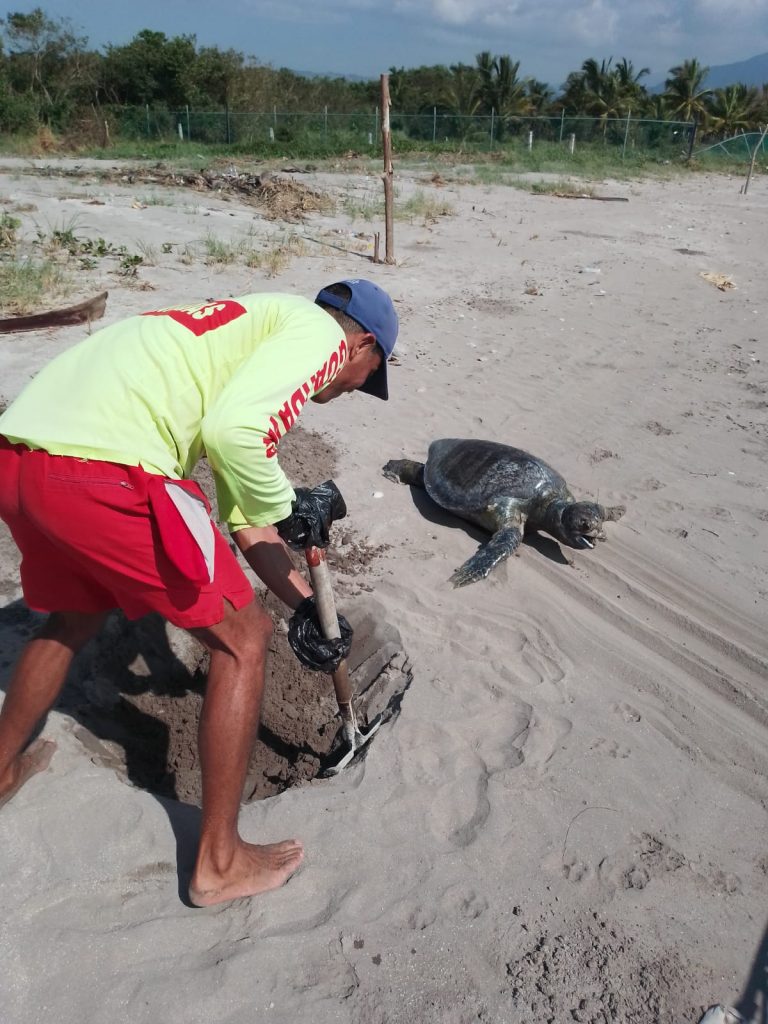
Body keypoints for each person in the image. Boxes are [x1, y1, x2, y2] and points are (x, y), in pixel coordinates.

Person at [0, 278, 399, 906]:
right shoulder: (319, 335)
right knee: (243, 640)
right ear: (363, 345)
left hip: (24, 457)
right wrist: (293, 505)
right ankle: (218, 862)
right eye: (365, 378)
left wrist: (307, 609)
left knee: (73, 618)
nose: (349, 390)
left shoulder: (249, 333)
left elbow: (247, 521)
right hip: (110, 466)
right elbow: (235, 431)